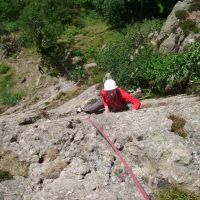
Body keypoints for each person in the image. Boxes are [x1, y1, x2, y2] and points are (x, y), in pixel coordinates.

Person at [77, 79, 141, 114]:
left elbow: (136, 102)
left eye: (112, 90)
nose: (110, 93)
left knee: (117, 109)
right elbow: (104, 99)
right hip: (107, 102)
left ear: (115, 89)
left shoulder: (122, 93)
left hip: (118, 104)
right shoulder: (104, 92)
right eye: (109, 91)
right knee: (92, 109)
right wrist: (106, 107)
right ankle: (84, 107)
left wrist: (134, 111)